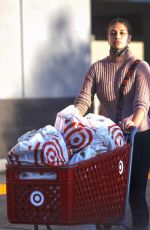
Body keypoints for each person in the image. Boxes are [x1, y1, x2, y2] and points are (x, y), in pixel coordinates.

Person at [74, 17, 150, 230]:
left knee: (135, 193)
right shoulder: (97, 68)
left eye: (122, 33)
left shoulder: (140, 67)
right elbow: (83, 100)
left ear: (129, 38)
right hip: (108, 138)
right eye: (113, 33)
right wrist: (71, 119)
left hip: (138, 137)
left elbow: (142, 103)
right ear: (108, 37)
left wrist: (133, 122)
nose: (117, 37)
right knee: (104, 194)